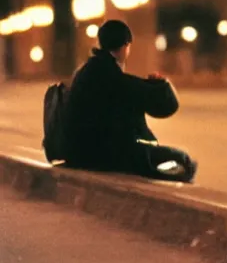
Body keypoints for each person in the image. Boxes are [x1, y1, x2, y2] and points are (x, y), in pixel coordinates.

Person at [62, 20, 197, 182]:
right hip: (104, 156)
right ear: (126, 46)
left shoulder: (86, 71)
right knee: (184, 162)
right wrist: (161, 84)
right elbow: (167, 106)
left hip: (78, 153)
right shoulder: (113, 77)